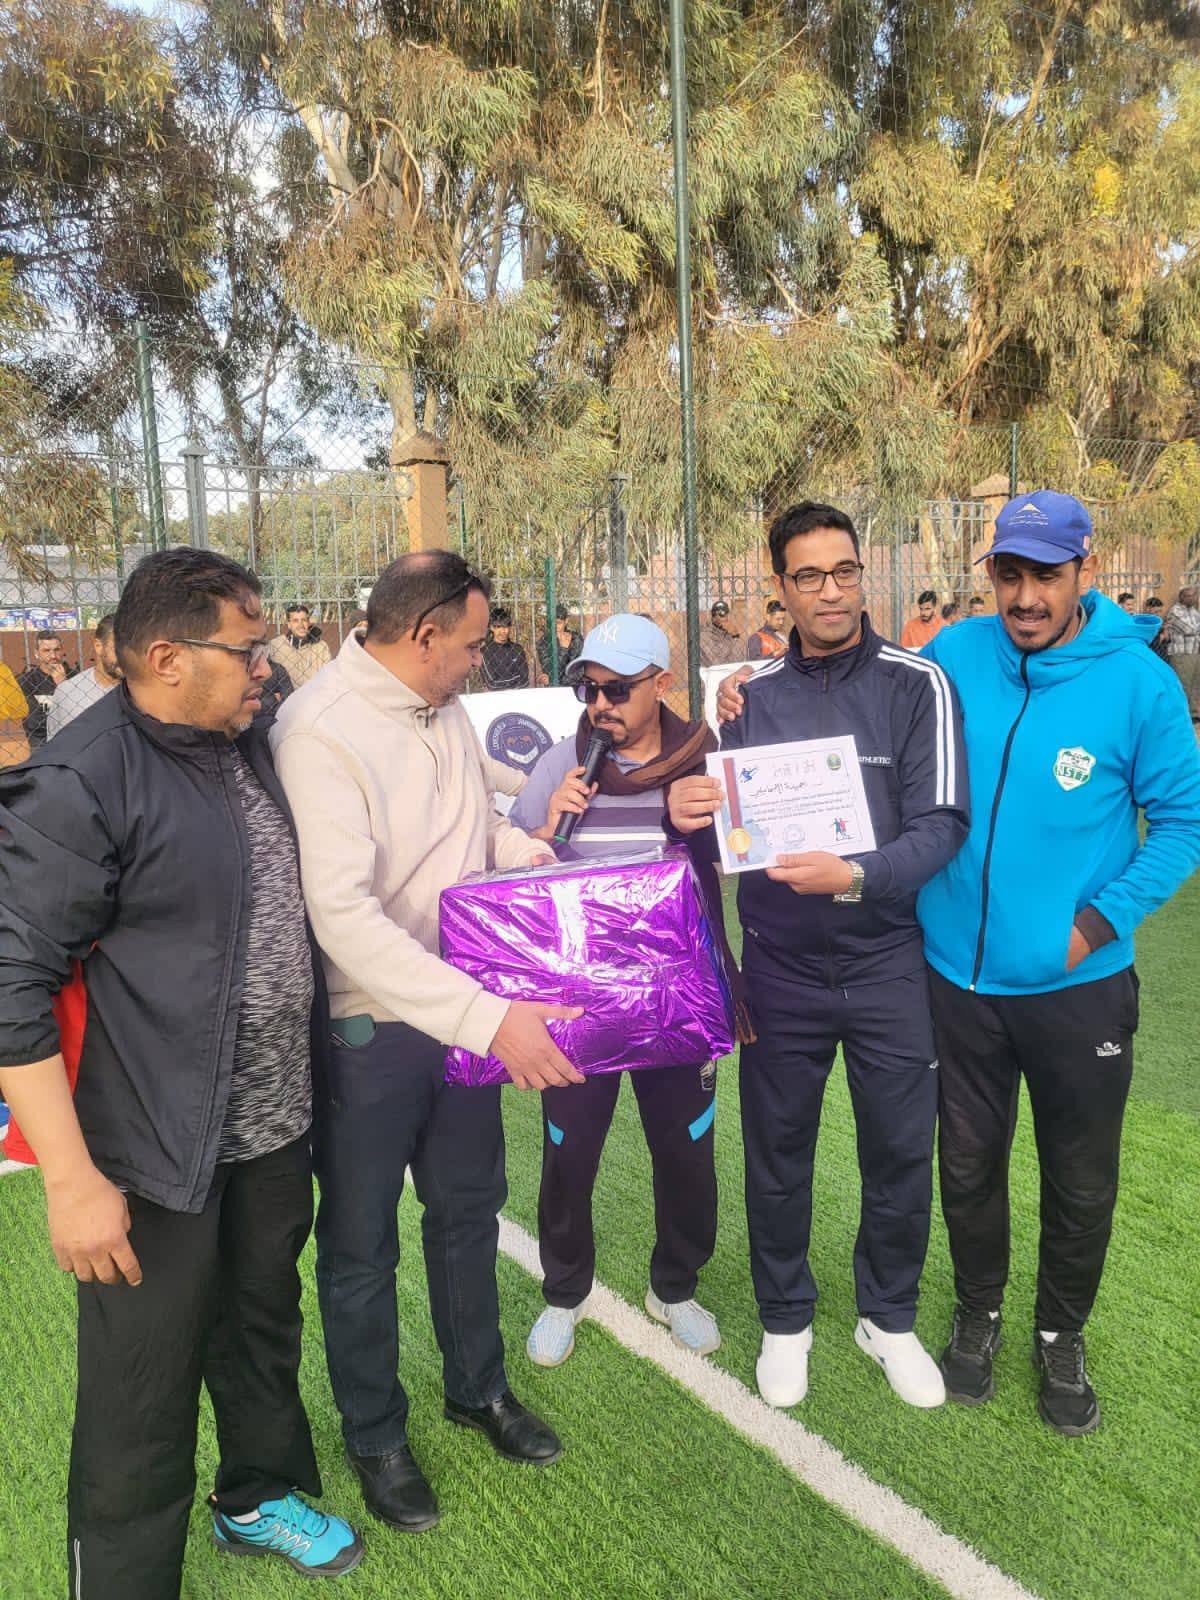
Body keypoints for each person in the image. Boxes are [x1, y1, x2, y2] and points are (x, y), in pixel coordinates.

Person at [0, 549, 362, 1597]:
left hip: (273, 1124)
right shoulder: (81, 780)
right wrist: (74, 1183)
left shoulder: (243, 739)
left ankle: (255, 1497)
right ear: (166, 656)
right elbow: (12, 987)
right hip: (151, 1147)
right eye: (248, 650)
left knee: (262, 1326)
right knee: (141, 1383)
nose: (267, 667)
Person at [271, 550, 575, 1538]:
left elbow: (470, 831)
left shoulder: (442, 707)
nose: (483, 660)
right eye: (474, 643)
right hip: (372, 1027)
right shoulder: (317, 729)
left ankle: (477, 1387)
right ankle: (375, 1435)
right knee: (361, 1241)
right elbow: (342, 917)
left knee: (467, 1209)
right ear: (425, 634)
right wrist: (485, 1018)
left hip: (462, 1008)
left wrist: (525, 855)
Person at [669, 501, 968, 1412]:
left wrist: (858, 876)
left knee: (899, 1149)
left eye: (844, 571)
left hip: (887, 964)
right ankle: (785, 1317)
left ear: (862, 574)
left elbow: (941, 825)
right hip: (781, 970)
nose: (831, 591)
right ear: (781, 587)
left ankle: (888, 1316)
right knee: (778, 1151)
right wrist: (690, 810)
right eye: (809, 576)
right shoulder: (746, 696)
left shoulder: (918, 684)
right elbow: (725, 828)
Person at [917, 492, 1200, 1435]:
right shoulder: (954, 655)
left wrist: (1090, 927)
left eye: (1046, 575)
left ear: (1085, 572)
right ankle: (979, 1314)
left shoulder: (1140, 684)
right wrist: (749, 693)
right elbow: (871, 711)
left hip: (1078, 990)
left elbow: (1182, 825)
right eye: (1010, 574)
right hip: (958, 981)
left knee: (1079, 1180)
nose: (1026, 597)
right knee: (968, 1165)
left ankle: (1059, 1335)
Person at [509, 614, 742, 1368]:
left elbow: (746, 854)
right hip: (580, 1003)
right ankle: (564, 1291)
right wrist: (548, 827)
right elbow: (512, 869)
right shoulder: (562, 761)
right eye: (589, 687)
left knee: (687, 1151)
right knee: (569, 1154)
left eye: (617, 688)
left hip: (677, 998)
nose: (600, 703)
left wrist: (695, 828)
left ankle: (674, 1286)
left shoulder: (703, 758)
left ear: (661, 683)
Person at [46, 615, 122, 739]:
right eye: (118, 649)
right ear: (98, 646)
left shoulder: (146, 690)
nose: (127, 657)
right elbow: (56, 744)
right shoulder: (67, 692)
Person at [17, 629, 78, 749]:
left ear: (63, 651)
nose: (53, 656)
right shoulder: (27, 681)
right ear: (37, 653)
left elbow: (82, 714)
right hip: (42, 744)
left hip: (72, 740)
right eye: (46, 651)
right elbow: (34, 723)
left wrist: (63, 685)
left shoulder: (76, 677)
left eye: (57, 650)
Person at [266, 602, 332, 689]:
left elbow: (328, 676)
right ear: (289, 624)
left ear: (308, 622)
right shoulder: (275, 645)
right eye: (295, 621)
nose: (301, 625)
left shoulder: (321, 647)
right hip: (286, 695)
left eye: (304, 620)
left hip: (315, 694)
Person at [1162, 584, 1200, 722]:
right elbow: (1189, 629)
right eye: (1189, 596)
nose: (1193, 598)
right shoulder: (1175, 611)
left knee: (1195, 685)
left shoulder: (1193, 610)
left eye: (1194, 595)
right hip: (1181, 653)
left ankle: (1193, 713)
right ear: (1181, 597)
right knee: (1183, 684)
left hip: (1194, 651)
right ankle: (1181, 714)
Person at [481, 605, 530, 690]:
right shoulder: (485, 652)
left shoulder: (518, 649)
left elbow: (525, 681)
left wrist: (504, 682)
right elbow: (492, 684)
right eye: (498, 627)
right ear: (491, 627)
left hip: (518, 695)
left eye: (506, 626)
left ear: (510, 627)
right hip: (496, 696)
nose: (503, 631)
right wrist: (516, 679)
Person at [536, 604, 582, 684]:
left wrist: (561, 681)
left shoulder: (576, 638)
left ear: (566, 621)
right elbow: (551, 671)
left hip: (576, 685)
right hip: (555, 687)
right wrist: (563, 649)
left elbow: (578, 669)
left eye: (558, 623)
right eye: (551, 623)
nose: (554, 627)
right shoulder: (543, 642)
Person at [699, 599, 744, 667]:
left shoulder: (730, 633)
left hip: (732, 671)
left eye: (725, 614)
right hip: (712, 673)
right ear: (713, 617)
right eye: (720, 614)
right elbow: (716, 664)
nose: (723, 617)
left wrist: (735, 637)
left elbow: (740, 659)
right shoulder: (704, 636)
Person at [1142, 596, 1170, 661]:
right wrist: (1161, 636)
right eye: (1156, 611)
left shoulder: (1160, 623)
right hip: (1150, 659)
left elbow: (1167, 640)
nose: (1159, 614)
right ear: (1148, 610)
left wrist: (1165, 630)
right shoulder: (1144, 624)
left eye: (1160, 611)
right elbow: (1150, 644)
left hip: (1163, 658)